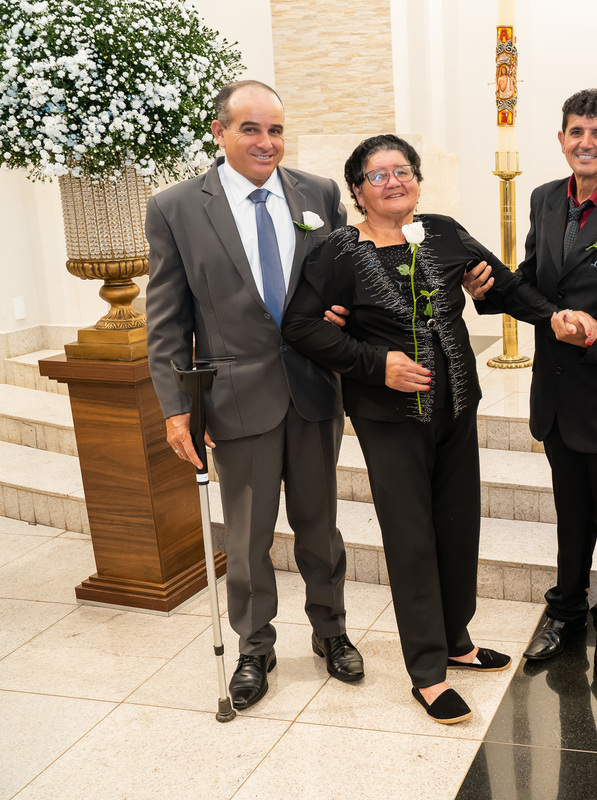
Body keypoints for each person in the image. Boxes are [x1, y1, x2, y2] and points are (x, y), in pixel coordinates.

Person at [281, 135, 546, 723]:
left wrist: (551, 314)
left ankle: (456, 640)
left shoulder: (444, 229)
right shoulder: (336, 252)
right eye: (377, 175)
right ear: (357, 190)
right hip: (389, 418)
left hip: (456, 405)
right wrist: (378, 365)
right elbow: (300, 325)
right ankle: (426, 671)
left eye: (402, 170)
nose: (393, 181)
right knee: (411, 537)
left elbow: (499, 282)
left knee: (458, 525)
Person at [145, 80, 363, 711]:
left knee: (320, 528)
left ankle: (332, 631)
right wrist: (175, 405)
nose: (266, 143)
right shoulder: (178, 208)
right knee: (245, 538)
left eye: (275, 131)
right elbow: (167, 319)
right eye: (251, 129)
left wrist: (344, 314)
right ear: (219, 131)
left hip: (315, 387)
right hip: (236, 396)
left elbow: (339, 277)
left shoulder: (318, 194)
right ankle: (254, 646)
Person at [464, 89, 597, 678]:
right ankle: (565, 611)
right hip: (559, 396)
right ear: (561, 139)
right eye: (575, 132)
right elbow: (538, 284)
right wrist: (491, 293)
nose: (586, 143)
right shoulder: (543, 201)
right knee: (570, 513)